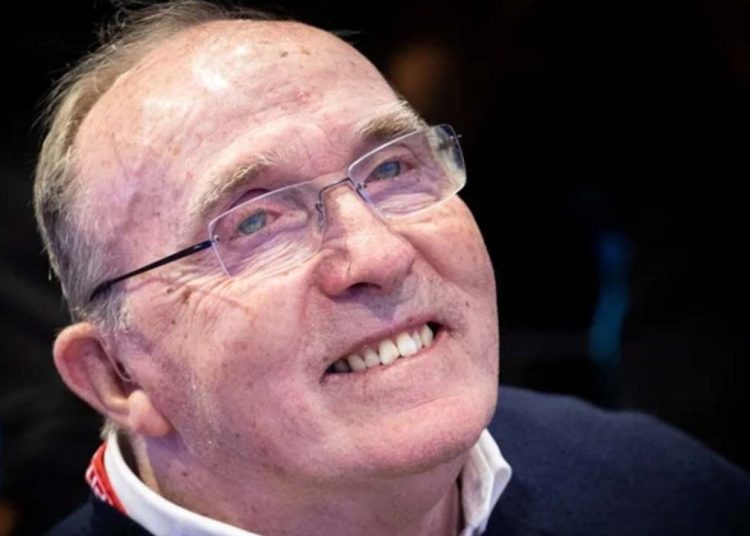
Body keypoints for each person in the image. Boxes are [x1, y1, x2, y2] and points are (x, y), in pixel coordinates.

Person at [34, 2, 749, 535]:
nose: (380, 252)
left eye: (393, 169)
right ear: (119, 374)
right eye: (254, 222)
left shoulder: (665, 491)